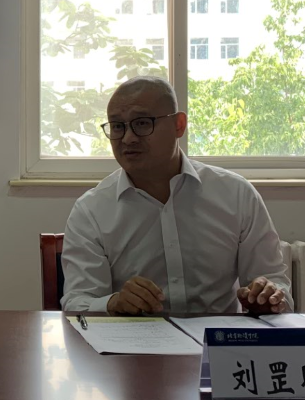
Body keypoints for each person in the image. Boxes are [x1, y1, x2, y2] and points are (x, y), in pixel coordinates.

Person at [60, 76, 289, 314]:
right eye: (117, 126)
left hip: (217, 336)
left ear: (179, 125)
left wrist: (268, 297)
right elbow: (77, 302)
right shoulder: (91, 211)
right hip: (135, 337)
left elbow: (274, 281)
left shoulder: (236, 194)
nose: (128, 138)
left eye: (142, 123)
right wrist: (113, 303)